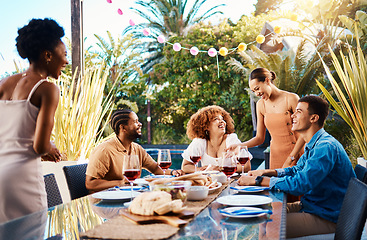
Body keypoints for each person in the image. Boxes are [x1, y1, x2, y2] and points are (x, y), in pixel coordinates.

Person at [237, 95, 356, 238]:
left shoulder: (325, 147)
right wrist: (267, 172)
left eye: (299, 112)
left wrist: (258, 181)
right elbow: (297, 170)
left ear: (314, 118)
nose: (292, 115)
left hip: (328, 215)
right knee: (262, 214)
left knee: (271, 225)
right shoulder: (314, 143)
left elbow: (300, 184)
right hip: (314, 206)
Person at [0, 18, 66, 223]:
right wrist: (51, 148)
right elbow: (40, 146)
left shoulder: (4, 83)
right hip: (23, 179)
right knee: (32, 232)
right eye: (64, 54)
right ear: (48, 55)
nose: (66, 61)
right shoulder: (47, 89)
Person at [86, 109, 183, 192]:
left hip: (129, 196)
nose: (140, 124)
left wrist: (173, 172)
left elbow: (156, 169)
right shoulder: (104, 150)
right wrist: (121, 183)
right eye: (136, 121)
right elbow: (90, 184)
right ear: (123, 127)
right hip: (104, 204)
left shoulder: (137, 148)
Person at [226, 68, 305, 169]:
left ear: (267, 81)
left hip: (297, 154)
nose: (257, 94)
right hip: (276, 157)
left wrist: (291, 157)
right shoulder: (260, 105)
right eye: (254, 91)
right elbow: (259, 138)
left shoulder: (291, 98)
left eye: (257, 88)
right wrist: (239, 145)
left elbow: (304, 133)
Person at [181, 105, 251, 173]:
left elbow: (246, 166)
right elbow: (185, 166)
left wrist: (218, 168)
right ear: (206, 126)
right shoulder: (200, 141)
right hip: (209, 183)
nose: (222, 122)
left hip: (230, 182)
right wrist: (200, 170)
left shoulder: (231, 139)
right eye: (216, 119)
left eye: (222, 119)